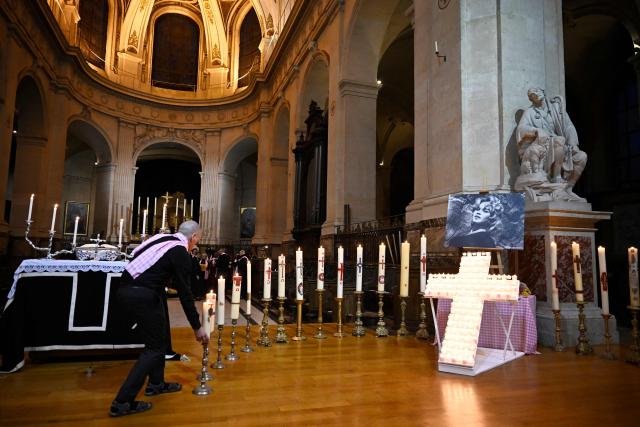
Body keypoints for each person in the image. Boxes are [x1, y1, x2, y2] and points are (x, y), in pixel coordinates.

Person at [109, 221, 209, 418]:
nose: (197, 244)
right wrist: (197, 327)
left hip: (130, 289)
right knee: (154, 348)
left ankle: (156, 384)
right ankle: (122, 402)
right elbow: (185, 293)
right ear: (194, 237)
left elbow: (136, 254)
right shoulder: (180, 251)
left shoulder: (161, 238)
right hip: (142, 294)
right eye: (198, 240)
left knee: (161, 338)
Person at [516, 87, 587, 199]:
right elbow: (521, 128)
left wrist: (573, 144)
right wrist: (536, 130)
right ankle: (556, 178)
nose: (535, 95)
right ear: (531, 99)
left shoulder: (557, 109)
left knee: (582, 157)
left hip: (561, 146)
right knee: (559, 140)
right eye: (532, 95)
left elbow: (568, 127)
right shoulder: (529, 112)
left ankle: (568, 188)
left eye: (537, 92)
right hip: (544, 146)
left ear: (543, 92)